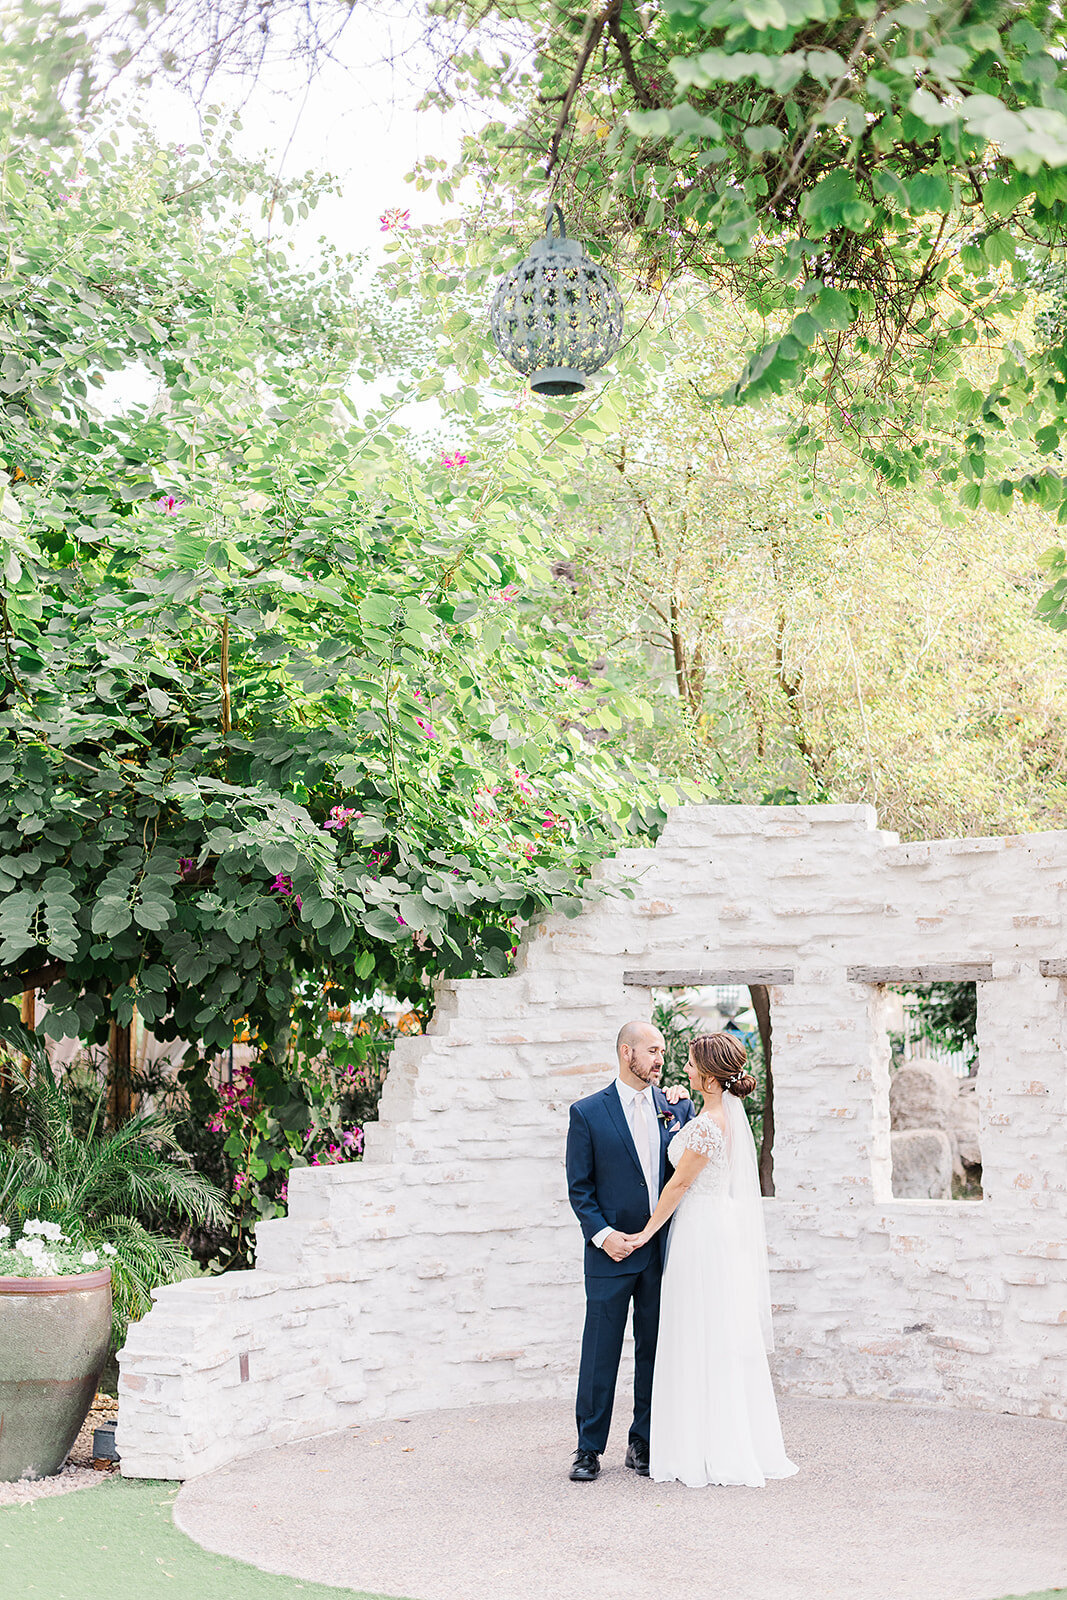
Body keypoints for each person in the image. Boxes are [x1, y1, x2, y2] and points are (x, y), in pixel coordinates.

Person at [625, 1032, 799, 1488]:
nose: (682, 1067)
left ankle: (705, 1447)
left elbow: (678, 1186)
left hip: (699, 1233)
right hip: (712, 1229)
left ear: (707, 1075)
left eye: (689, 1064)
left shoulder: (707, 1126)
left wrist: (647, 1232)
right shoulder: (716, 1116)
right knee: (712, 1331)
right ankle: (709, 1438)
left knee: (698, 1331)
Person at [565, 1020, 697, 1482]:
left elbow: (688, 1165)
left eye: (662, 1051)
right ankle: (587, 1449)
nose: (660, 1059)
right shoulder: (587, 1113)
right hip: (610, 1255)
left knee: (655, 1350)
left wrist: (686, 1102)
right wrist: (604, 1236)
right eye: (653, 1051)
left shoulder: (675, 1107)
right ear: (627, 1052)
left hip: (661, 1252)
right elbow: (580, 1189)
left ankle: (642, 1441)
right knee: (599, 1350)